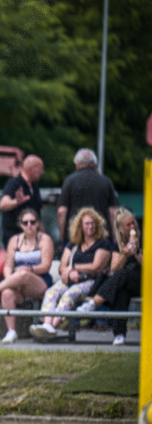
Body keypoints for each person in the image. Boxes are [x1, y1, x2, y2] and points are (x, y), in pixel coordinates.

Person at [30, 207, 111, 341]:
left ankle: (53, 326)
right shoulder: (74, 244)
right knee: (51, 292)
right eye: (87, 224)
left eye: (93, 223)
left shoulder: (103, 244)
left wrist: (73, 268)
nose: (90, 227)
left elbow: (96, 267)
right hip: (70, 280)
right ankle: (46, 324)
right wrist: (68, 273)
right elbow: (62, 267)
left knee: (69, 294)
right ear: (81, 225)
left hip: (91, 281)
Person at [77, 208, 142, 345]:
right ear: (121, 229)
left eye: (133, 223)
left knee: (123, 275)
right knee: (122, 290)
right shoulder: (118, 245)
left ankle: (93, 303)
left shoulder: (144, 240)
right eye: (128, 225)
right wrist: (125, 254)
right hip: (126, 283)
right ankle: (119, 335)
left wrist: (136, 252)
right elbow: (114, 268)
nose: (132, 227)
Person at [0, 208, 54, 344]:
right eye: (26, 222)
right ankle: (11, 331)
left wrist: (30, 269)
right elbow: (8, 266)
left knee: (23, 273)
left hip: (40, 281)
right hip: (18, 282)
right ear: (20, 225)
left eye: (33, 222)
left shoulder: (44, 239)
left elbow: (46, 266)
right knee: (7, 292)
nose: (29, 225)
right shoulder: (15, 240)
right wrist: (11, 279)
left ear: (38, 223)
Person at [57, 148, 118, 248]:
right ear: (94, 163)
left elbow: (61, 211)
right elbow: (113, 212)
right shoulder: (106, 182)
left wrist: (62, 235)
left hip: (74, 235)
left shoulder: (69, 181)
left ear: (77, 163)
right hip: (101, 236)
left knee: (72, 263)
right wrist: (114, 236)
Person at [0, 154, 44, 248]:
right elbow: (3, 204)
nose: (42, 172)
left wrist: (43, 235)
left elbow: (38, 214)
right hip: (15, 238)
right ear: (31, 168)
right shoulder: (14, 183)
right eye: (40, 169)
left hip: (32, 238)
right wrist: (16, 202)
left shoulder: (35, 187)